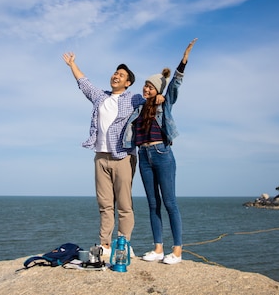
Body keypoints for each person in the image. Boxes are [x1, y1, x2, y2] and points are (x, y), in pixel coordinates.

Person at [62, 53, 144, 258]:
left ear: (128, 82)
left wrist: (158, 95)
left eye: (121, 74)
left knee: (124, 205)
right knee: (105, 204)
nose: (116, 75)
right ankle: (105, 245)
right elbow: (84, 83)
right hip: (101, 157)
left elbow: (152, 102)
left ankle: (123, 243)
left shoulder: (134, 98)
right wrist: (73, 64)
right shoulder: (100, 97)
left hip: (123, 156)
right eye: (115, 73)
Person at [123, 38, 197, 265]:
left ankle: (176, 251)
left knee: (170, 203)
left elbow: (174, 85)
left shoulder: (164, 104)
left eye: (150, 86)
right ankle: (157, 248)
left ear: (157, 89)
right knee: (152, 203)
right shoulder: (138, 107)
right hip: (144, 156)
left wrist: (183, 62)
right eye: (145, 85)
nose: (146, 88)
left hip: (162, 154)